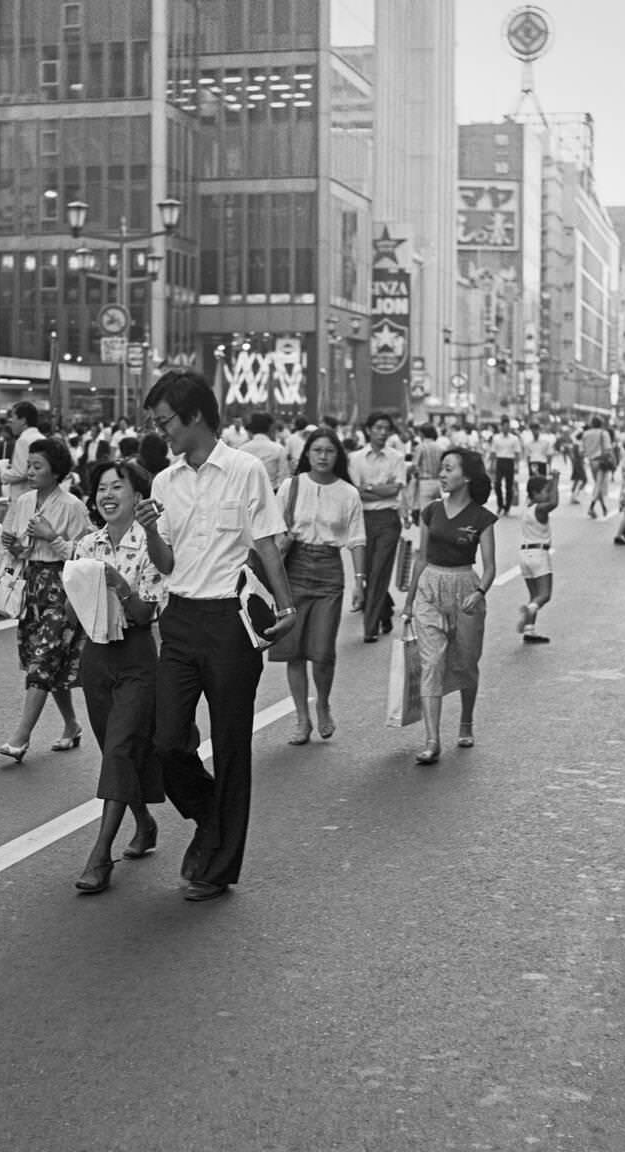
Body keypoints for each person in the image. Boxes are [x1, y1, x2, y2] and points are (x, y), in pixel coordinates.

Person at [135, 368, 296, 902]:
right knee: (164, 740)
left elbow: (268, 541)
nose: (162, 434)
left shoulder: (246, 470)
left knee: (231, 746)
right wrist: (149, 531)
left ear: (196, 417)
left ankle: (217, 867)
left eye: (166, 423)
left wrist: (288, 605)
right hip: (179, 619)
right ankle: (210, 816)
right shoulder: (164, 481)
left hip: (231, 623)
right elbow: (164, 562)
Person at [69, 459, 167, 894]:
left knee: (121, 749)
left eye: (117, 488)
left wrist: (117, 585)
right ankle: (144, 823)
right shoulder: (85, 545)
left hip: (136, 656)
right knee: (115, 750)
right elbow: (73, 612)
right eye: (101, 488)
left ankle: (100, 855)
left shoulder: (150, 546)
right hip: (96, 658)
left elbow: (147, 612)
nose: (107, 495)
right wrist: (79, 591)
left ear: (137, 497)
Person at [0, 436, 92, 762]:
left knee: (43, 658)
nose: (31, 471)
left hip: (62, 589)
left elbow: (87, 553)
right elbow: (21, 548)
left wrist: (53, 538)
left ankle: (20, 737)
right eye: (30, 465)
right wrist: (13, 546)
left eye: (38, 466)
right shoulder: (23, 502)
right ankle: (71, 724)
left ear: (56, 471)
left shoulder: (72, 506)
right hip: (31, 585)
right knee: (49, 662)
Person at [269, 427, 366, 744]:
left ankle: (322, 704)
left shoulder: (348, 493)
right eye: (317, 450)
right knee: (294, 649)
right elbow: (271, 529)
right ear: (307, 454)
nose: (323, 456)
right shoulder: (291, 486)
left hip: (328, 571)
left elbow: (356, 540)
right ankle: (302, 718)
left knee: (322, 651)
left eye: (329, 451)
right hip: (293, 567)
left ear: (338, 456)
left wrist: (360, 582)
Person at [402, 449, 497, 764]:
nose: (442, 474)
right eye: (441, 469)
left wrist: (480, 591)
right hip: (430, 588)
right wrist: (408, 601)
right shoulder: (430, 511)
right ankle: (432, 740)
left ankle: (466, 721)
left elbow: (490, 566)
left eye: (448, 469)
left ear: (466, 476)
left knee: (465, 664)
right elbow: (421, 556)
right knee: (432, 664)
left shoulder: (481, 517)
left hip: (465, 590)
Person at [348, 412, 406, 643]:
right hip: (363, 519)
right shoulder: (355, 458)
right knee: (369, 572)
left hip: (388, 519)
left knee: (380, 570)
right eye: (378, 428)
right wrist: (380, 488)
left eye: (386, 428)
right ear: (369, 429)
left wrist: (369, 488)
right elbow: (355, 491)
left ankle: (369, 628)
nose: (383, 433)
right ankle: (385, 609)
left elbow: (395, 490)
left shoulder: (396, 457)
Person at [517, 470, 559, 644]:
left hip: (524, 555)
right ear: (535, 493)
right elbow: (554, 502)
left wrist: (548, 482)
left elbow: (545, 494)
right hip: (539, 554)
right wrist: (556, 481)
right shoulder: (540, 509)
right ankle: (529, 610)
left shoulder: (527, 507)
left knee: (534, 595)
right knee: (544, 595)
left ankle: (529, 630)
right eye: (545, 491)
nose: (548, 494)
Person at [3, 401, 45, 505]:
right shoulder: (41, 438)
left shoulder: (23, 440)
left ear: (23, 420)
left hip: (23, 497)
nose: (10, 421)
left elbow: (20, 473)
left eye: (13, 417)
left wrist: (3, 475)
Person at [236, 411, 289, 490]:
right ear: (270, 428)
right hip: (272, 493)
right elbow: (284, 478)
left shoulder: (241, 449)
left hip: (247, 494)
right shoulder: (279, 449)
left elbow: (238, 477)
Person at [488, 415, 523, 515]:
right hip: (500, 461)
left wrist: (517, 466)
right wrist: (491, 465)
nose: (506, 428)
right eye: (504, 426)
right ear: (501, 426)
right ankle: (500, 505)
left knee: (509, 486)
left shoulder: (514, 439)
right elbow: (493, 453)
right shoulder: (496, 438)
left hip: (509, 462)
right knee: (497, 484)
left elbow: (517, 453)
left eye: (508, 426)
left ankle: (507, 507)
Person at [581, 416, 615, 518]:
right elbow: (608, 449)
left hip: (591, 461)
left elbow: (582, 450)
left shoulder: (585, 434)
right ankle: (591, 508)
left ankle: (603, 507)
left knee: (598, 484)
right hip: (601, 461)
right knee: (599, 484)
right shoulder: (603, 433)